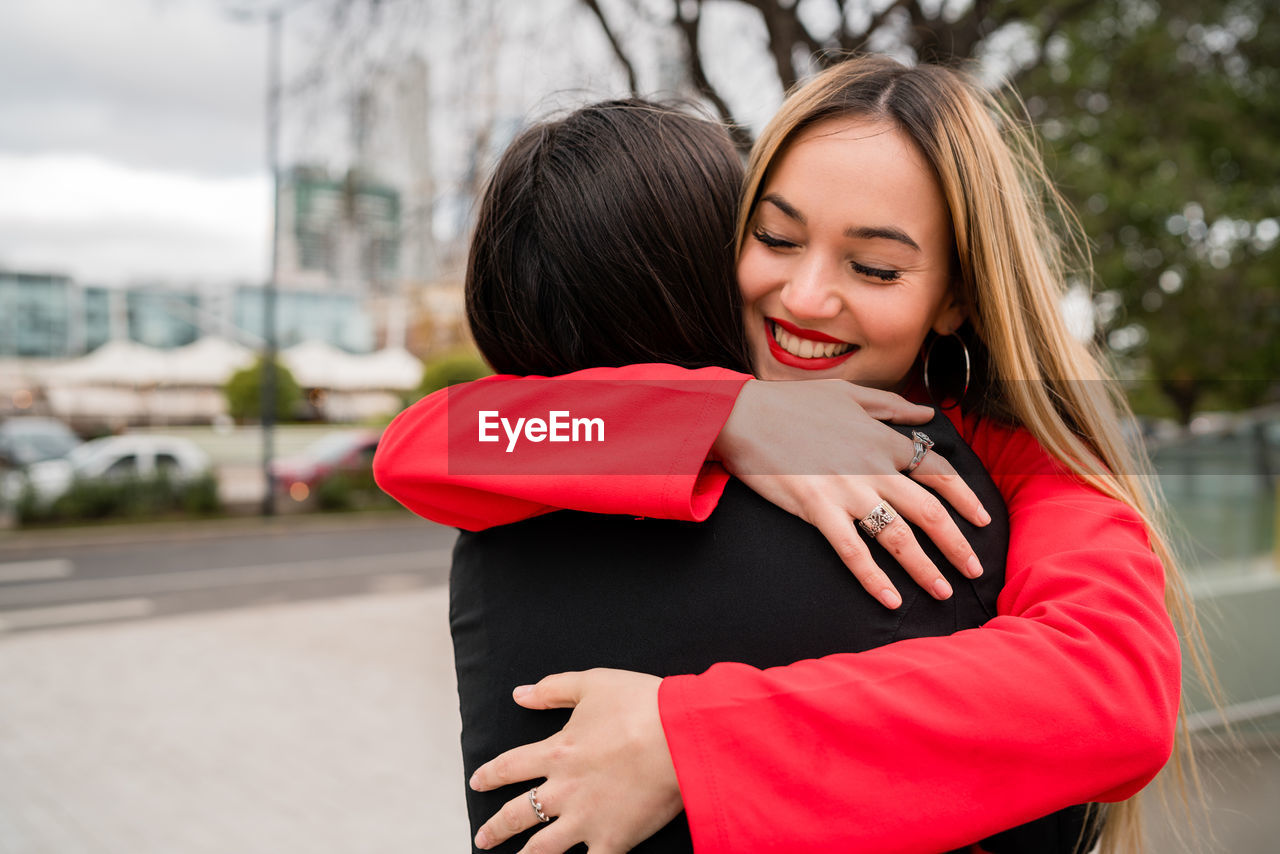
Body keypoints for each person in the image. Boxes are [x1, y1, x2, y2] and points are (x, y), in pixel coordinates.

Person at [376, 56, 1185, 854]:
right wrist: (726, 416)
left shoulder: (1023, 467)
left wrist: (687, 741)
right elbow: (425, 446)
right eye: (775, 237)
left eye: (873, 267)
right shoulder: (712, 404)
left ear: (957, 295)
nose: (803, 298)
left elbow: (1112, 690)